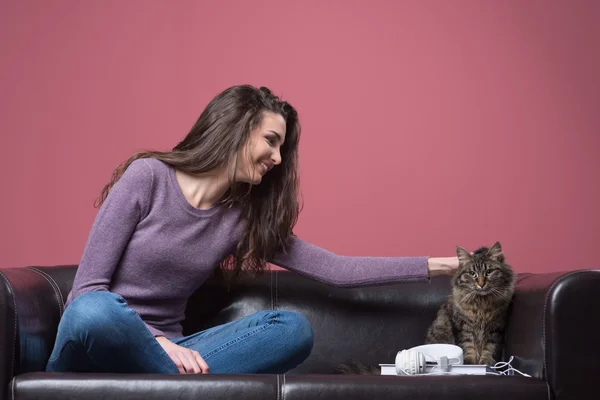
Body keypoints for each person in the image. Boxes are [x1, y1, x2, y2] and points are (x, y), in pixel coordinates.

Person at [45, 85, 459, 376]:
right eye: (272, 141)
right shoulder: (147, 177)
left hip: (174, 357)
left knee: (292, 329)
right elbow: (87, 293)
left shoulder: (241, 219)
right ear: (238, 128)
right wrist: (157, 344)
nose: (278, 158)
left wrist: (445, 266)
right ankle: (177, 388)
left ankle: (165, 385)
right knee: (95, 311)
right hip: (101, 346)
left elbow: (338, 270)